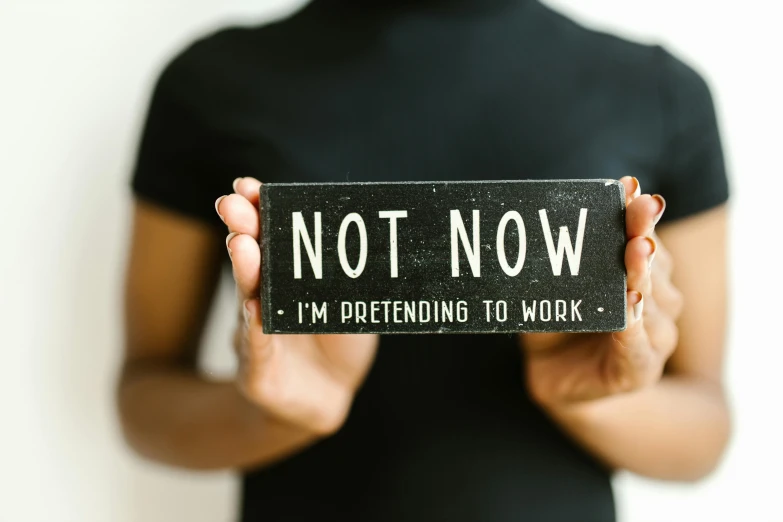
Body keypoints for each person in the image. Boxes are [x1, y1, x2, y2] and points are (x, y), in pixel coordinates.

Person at [117, 0, 731, 520]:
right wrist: (278, 412)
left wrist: (595, 395)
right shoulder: (211, 82)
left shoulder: (659, 91)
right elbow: (143, 395)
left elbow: (706, 426)